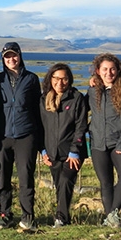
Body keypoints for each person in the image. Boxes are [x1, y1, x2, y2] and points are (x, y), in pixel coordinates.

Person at [85, 53, 121, 228]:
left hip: (120, 142)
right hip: (99, 144)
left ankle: (112, 215)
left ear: (118, 70)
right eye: (105, 69)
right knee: (105, 183)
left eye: (112, 69)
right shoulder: (93, 91)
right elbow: (82, 112)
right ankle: (111, 219)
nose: (109, 73)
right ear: (98, 71)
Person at [0, 42, 42, 231]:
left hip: (25, 135)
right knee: (2, 177)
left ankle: (27, 216)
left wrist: (39, 139)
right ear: (3, 60)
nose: (11, 59)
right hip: (3, 136)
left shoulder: (31, 79)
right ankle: (5, 215)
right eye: (7, 56)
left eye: (14, 55)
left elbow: (37, 109)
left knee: (25, 177)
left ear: (20, 56)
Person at [39, 63, 88, 228]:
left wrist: (74, 151)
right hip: (52, 153)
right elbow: (40, 127)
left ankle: (60, 218)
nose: (60, 82)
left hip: (72, 153)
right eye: (56, 78)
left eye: (64, 78)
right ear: (50, 79)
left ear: (69, 80)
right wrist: (43, 150)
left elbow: (81, 127)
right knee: (60, 185)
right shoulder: (43, 100)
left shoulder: (76, 98)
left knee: (66, 180)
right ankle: (63, 219)